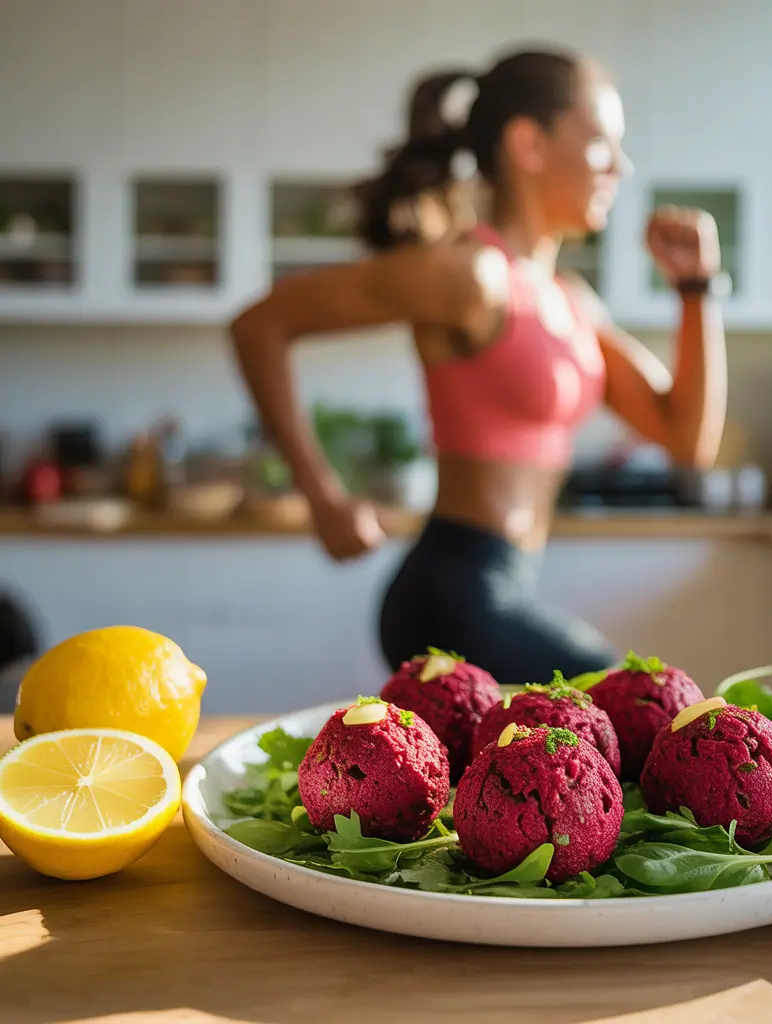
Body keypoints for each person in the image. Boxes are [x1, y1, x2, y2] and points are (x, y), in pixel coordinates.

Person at [230, 47, 728, 684]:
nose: (621, 168)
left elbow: (687, 439)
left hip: (503, 585)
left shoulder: (570, 300)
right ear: (529, 144)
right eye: (603, 144)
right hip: (451, 592)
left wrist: (697, 289)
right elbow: (260, 325)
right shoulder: (471, 275)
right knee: (644, 699)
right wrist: (323, 497)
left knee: (599, 736)